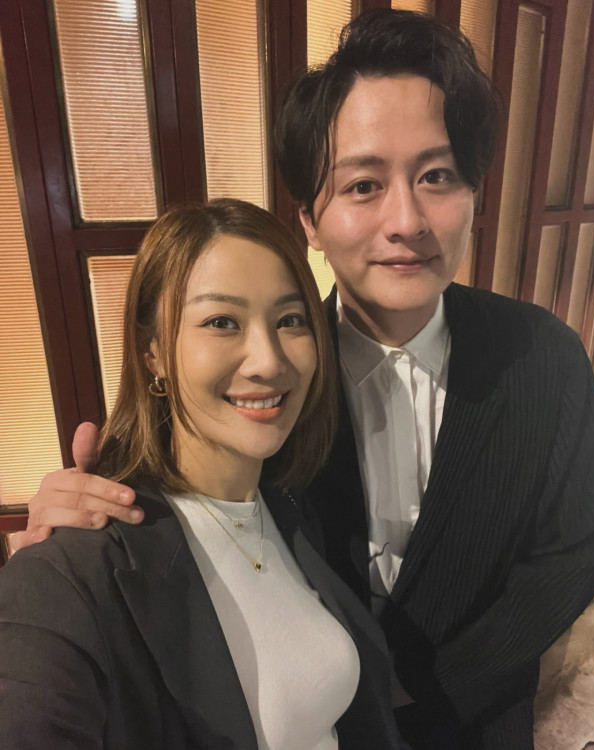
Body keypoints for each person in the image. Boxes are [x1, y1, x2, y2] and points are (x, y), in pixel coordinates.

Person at [12, 9, 594, 750]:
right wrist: (66, 517)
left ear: (475, 195)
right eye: (363, 184)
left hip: (479, 728)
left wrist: (419, 688)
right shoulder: (264, 388)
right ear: (310, 222)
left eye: (437, 176)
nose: (406, 219)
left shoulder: (545, 357)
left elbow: (571, 554)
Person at [0, 199, 406, 750]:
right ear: (152, 353)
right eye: (221, 322)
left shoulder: (291, 502)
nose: (268, 361)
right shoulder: (73, 569)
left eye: (290, 320)